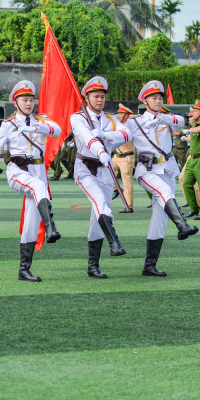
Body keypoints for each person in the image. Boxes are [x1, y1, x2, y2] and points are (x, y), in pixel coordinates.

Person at [0, 81, 62, 282]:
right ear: (15, 102)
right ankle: (51, 227)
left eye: (31, 100)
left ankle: (24, 270)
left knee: (31, 222)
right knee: (39, 187)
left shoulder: (41, 120)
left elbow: (57, 130)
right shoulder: (8, 125)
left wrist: (34, 127)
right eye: (24, 100)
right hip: (18, 173)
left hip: (37, 173)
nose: (29, 103)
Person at [129, 81, 199, 277]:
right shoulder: (134, 123)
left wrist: (161, 119)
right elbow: (119, 134)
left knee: (160, 219)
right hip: (147, 171)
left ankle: (149, 265)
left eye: (160, 98)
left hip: (166, 169)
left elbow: (180, 120)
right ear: (145, 101)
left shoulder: (167, 118)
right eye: (154, 98)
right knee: (164, 192)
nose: (158, 101)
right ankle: (182, 225)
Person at [70, 77, 130, 279]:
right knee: (99, 202)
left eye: (102, 96)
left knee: (98, 216)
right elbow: (86, 137)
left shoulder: (110, 119)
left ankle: (93, 265)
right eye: (95, 96)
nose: (99, 100)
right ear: (86, 98)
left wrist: (106, 135)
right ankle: (115, 242)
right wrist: (100, 150)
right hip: (85, 169)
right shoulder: (78, 118)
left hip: (106, 172)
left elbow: (127, 134)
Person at [112, 104, 136, 213]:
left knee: (127, 182)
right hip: (117, 156)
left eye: (121, 114)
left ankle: (128, 206)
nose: (118, 115)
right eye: (118, 113)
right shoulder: (119, 125)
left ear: (126, 116)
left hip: (127, 157)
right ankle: (116, 189)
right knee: (104, 169)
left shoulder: (128, 127)